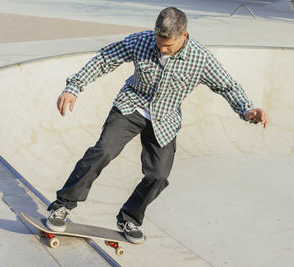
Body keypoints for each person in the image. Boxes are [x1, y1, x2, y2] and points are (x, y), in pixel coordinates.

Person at [46, 7, 269, 244]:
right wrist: (74, 87)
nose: (162, 49)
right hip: (130, 106)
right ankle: (63, 205)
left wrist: (247, 110)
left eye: (168, 46)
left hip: (165, 118)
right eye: (159, 42)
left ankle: (130, 218)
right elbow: (104, 59)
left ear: (184, 35)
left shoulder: (201, 58)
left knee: (159, 176)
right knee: (103, 151)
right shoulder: (141, 41)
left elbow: (228, 86)